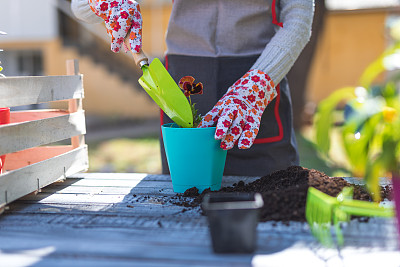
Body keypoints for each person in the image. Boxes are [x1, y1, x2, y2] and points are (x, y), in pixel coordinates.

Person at [71, 0, 315, 176]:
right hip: (184, 81)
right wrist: (106, 3)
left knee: (273, 193)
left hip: (259, 75)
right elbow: (79, 4)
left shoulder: (259, 82)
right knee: (185, 199)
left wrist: (260, 82)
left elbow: (299, 18)